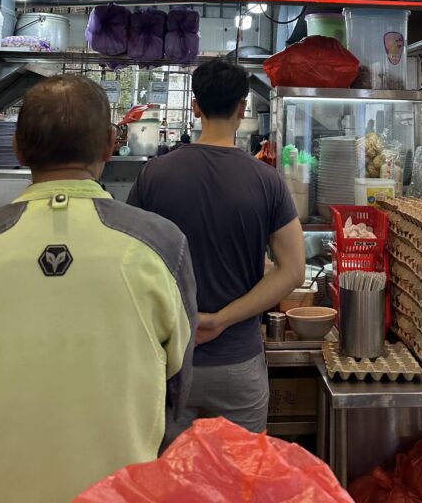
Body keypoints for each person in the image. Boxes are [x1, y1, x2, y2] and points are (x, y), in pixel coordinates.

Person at [0, 76, 197, 503]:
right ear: (110, 144)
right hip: (121, 492)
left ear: (17, 147)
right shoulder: (159, 244)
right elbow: (177, 385)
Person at [128, 58, 305, 434]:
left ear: (195, 107)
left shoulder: (154, 175)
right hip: (237, 366)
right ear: (242, 109)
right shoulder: (267, 180)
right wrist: (221, 320)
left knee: (172, 484)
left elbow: (129, 261)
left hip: (172, 361)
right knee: (239, 483)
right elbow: (293, 271)